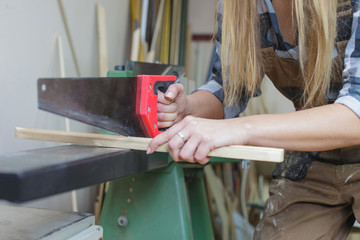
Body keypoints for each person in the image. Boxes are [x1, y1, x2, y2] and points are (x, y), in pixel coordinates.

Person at [147, 0, 360, 239]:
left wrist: (242, 129)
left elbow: (357, 111)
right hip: (315, 154)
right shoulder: (241, 5)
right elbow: (229, 88)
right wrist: (189, 108)